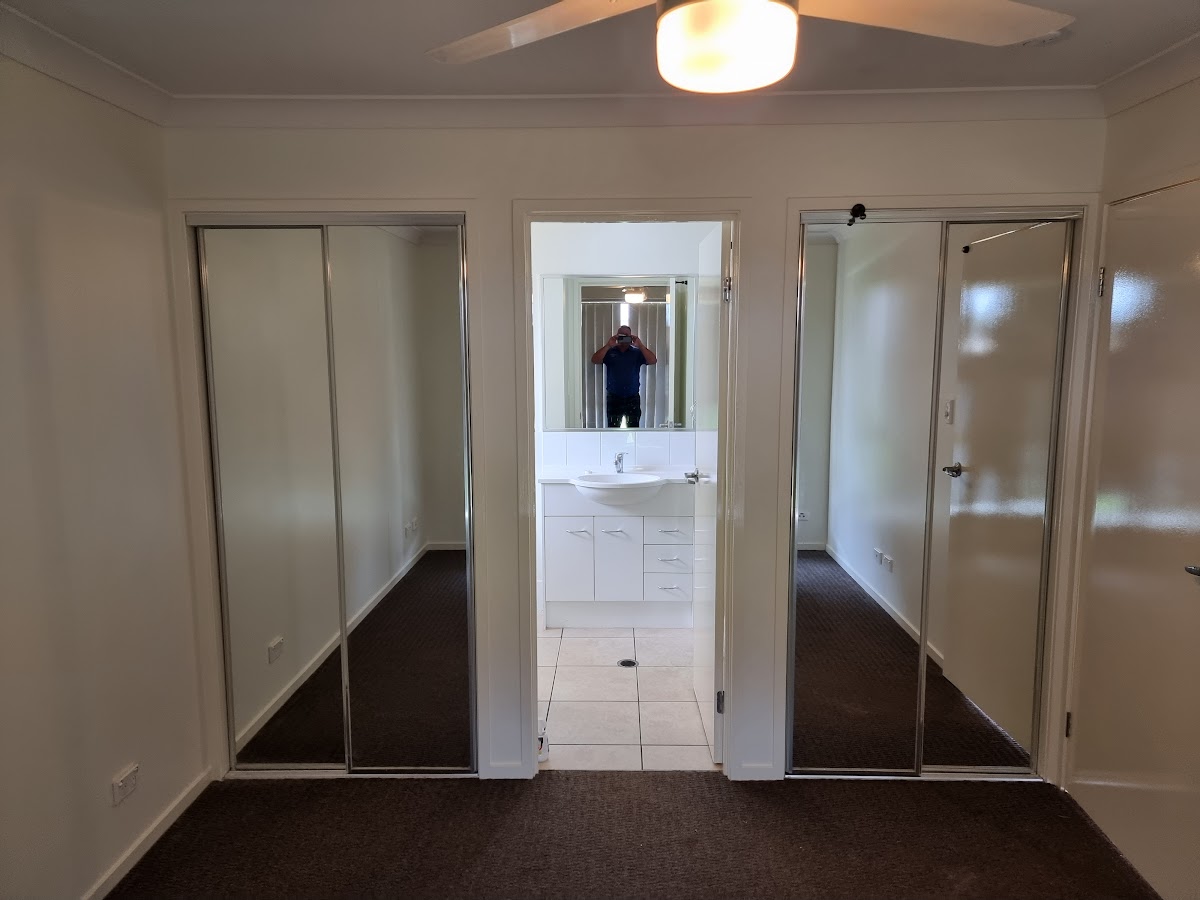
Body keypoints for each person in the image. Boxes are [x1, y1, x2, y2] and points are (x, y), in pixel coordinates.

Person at [591, 325, 657, 428]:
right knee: (613, 430)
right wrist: (608, 345)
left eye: (626, 335)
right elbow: (595, 360)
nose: (624, 338)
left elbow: (653, 360)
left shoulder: (636, 353)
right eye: (621, 335)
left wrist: (640, 345)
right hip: (614, 398)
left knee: (633, 430)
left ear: (631, 337)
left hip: (632, 399)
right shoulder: (610, 352)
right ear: (617, 336)